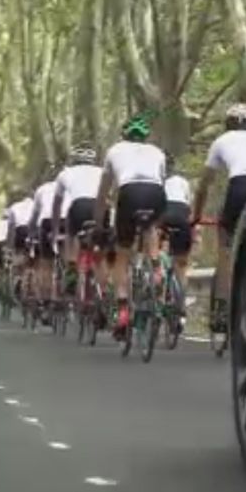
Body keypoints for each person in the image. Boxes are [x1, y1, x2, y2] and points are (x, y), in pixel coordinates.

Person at [191, 103, 246, 333]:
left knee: (226, 250)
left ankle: (225, 311)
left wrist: (196, 215)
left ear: (228, 123)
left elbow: (203, 185)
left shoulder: (222, 141)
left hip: (240, 187)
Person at [94, 115, 167, 337]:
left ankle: (124, 310)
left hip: (129, 193)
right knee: (151, 228)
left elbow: (103, 192)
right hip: (155, 193)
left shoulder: (114, 150)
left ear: (124, 135)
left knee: (122, 255)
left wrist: (98, 223)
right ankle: (156, 268)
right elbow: (161, 182)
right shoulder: (157, 152)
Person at [53, 143, 106, 302]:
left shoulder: (66, 173)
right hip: (100, 207)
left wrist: (56, 230)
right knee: (100, 252)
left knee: (71, 235)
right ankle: (103, 292)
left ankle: (71, 268)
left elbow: (57, 203)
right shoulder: (102, 171)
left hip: (79, 206)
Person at [30, 165, 60, 324]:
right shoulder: (69, 185)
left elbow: (34, 215)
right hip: (67, 221)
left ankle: (46, 302)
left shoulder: (42, 190)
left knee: (46, 264)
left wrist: (31, 233)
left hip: (48, 223)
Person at [161, 155, 193, 295]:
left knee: (155, 246)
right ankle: (182, 302)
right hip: (182, 214)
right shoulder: (182, 182)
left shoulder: (158, 182)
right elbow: (189, 203)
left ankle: (157, 274)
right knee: (181, 262)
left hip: (165, 213)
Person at [4, 188, 35, 299]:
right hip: (33, 230)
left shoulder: (15, 206)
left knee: (19, 254)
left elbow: (10, 228)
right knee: (32, 258)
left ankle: (18, 278)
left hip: (20, 231)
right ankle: (28, 281)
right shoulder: (36, 205)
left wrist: (9, 247)